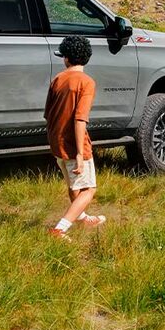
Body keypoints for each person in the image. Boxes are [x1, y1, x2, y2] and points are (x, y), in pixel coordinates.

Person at [43, 35, 106, 240]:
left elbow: (48, 114)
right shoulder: (87, 82)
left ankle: (83, 218)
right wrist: (80, 153)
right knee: (89, 189)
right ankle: (59, 229)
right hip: (74, 143)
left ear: (66, 58)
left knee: (74, 184)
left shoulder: (57, 79)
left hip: (56, 141)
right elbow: (80, 119)